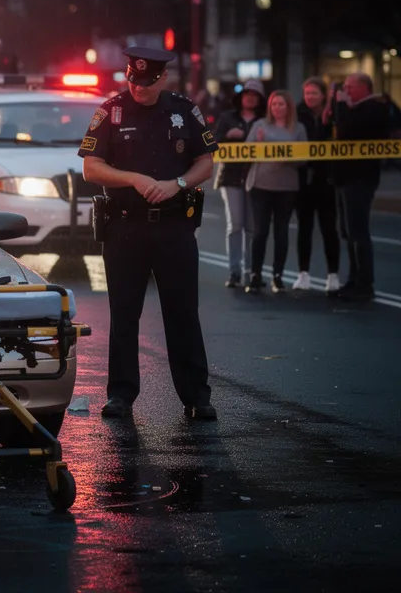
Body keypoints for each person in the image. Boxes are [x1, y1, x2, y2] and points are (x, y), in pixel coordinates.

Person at [77, 47, 218, 421]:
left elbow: (206, 161)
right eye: (132, 80)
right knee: (124, 314)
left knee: (183, 314)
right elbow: (92, 167)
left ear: (163, 79)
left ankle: (196, 397)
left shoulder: (184, 109)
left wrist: (179, 183)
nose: (138, 87)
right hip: (126, 225)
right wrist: (133, 178)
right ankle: (121, 395)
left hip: (174, 225)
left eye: (146, 82)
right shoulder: (111, 110)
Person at [330, 73, 390, 301]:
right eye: (344, 86)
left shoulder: (374, 108)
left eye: (350, 86)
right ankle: (353, 278)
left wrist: (342, 104)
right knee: (346, 231)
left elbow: (347, 130)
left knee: (358, 231)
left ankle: (365, 282)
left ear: (364, 88)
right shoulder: (351, 107)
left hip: (360, 177)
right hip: (344, 177)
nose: (346, 90)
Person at [244, 91, 307, 293]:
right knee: (260, 231)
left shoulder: (298, 128)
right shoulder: (260, 126)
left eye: (281, 104)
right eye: (274, 104)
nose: (277, 108)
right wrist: (259, 144)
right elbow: (246, 151)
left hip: (286, 187)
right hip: (261, 185)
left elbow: (305, 158)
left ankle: (278, 275)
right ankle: (255, 274)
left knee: (281, 232)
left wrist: (288, 158)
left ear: (288, 107)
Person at [211, 80, 265, 288]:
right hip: (231, 177)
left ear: (260, 99)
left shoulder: (263, 120)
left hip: (257, 178)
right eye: (247, 94)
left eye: (255, 94)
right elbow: (212, 141)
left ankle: (252, 272)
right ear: (241, 97)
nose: (250, 97)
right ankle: (234, 272)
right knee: (235, 225)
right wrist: (226, 136)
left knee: (252, 228)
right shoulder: (227, 118)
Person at [292, 77, 340, 293]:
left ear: (323, 95)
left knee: (329, 228)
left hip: (327, 179)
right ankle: (303, 274)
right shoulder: (297, 114)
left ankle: (333, 275)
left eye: (314, 93)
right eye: (307, 93)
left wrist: (328, 120)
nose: (310, 97)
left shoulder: (333, 115)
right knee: (304, 228)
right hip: (303, 179)